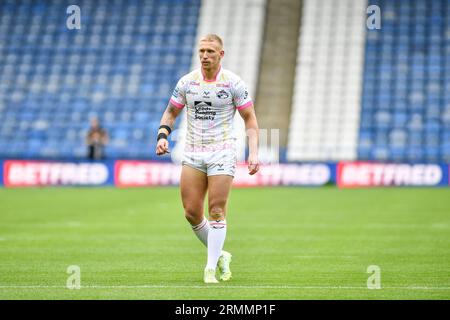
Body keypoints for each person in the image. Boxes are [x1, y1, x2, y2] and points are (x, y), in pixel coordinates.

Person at [156, 34, 259, 283]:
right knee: (191, 212)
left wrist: (253, 152)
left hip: (223, 151)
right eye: (201, 50)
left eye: (210, 51)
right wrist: (162, 136)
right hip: (192, 151)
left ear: (220, 54)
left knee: (215, 210)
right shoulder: (187, 82)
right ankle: (221, 255)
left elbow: (250, 119)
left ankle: (210, 268)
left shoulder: (233, 83)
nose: (204, 55)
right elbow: (171, 112)